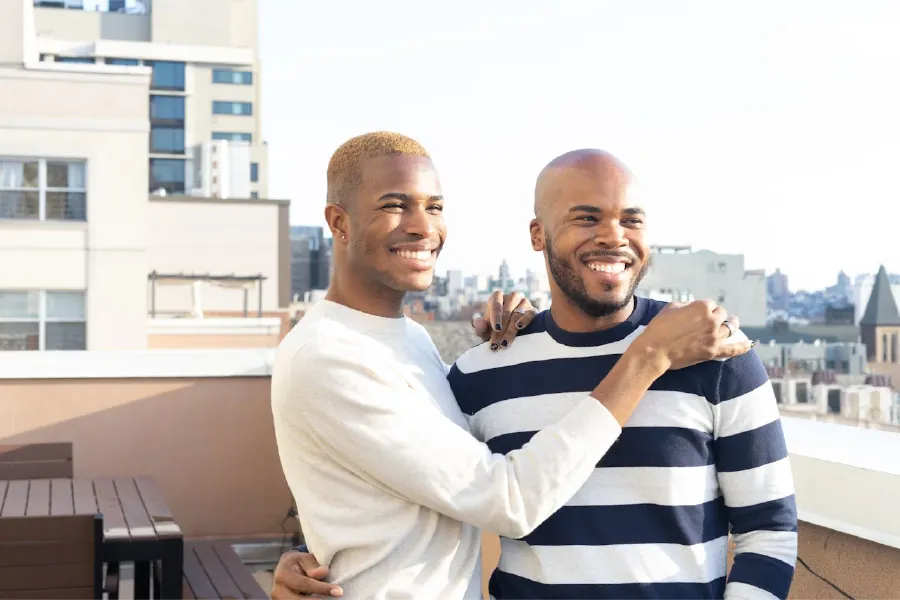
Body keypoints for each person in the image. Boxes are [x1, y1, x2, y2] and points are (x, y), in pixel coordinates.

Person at [270, 134, 753, 599]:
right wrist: (648, 357)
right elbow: (509, 499)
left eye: (434, 206)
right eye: (395, 205)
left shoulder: (408, 339)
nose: (422, 226)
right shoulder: (328, 355)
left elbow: (406, 474)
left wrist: (531, 331)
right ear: (339, 222)